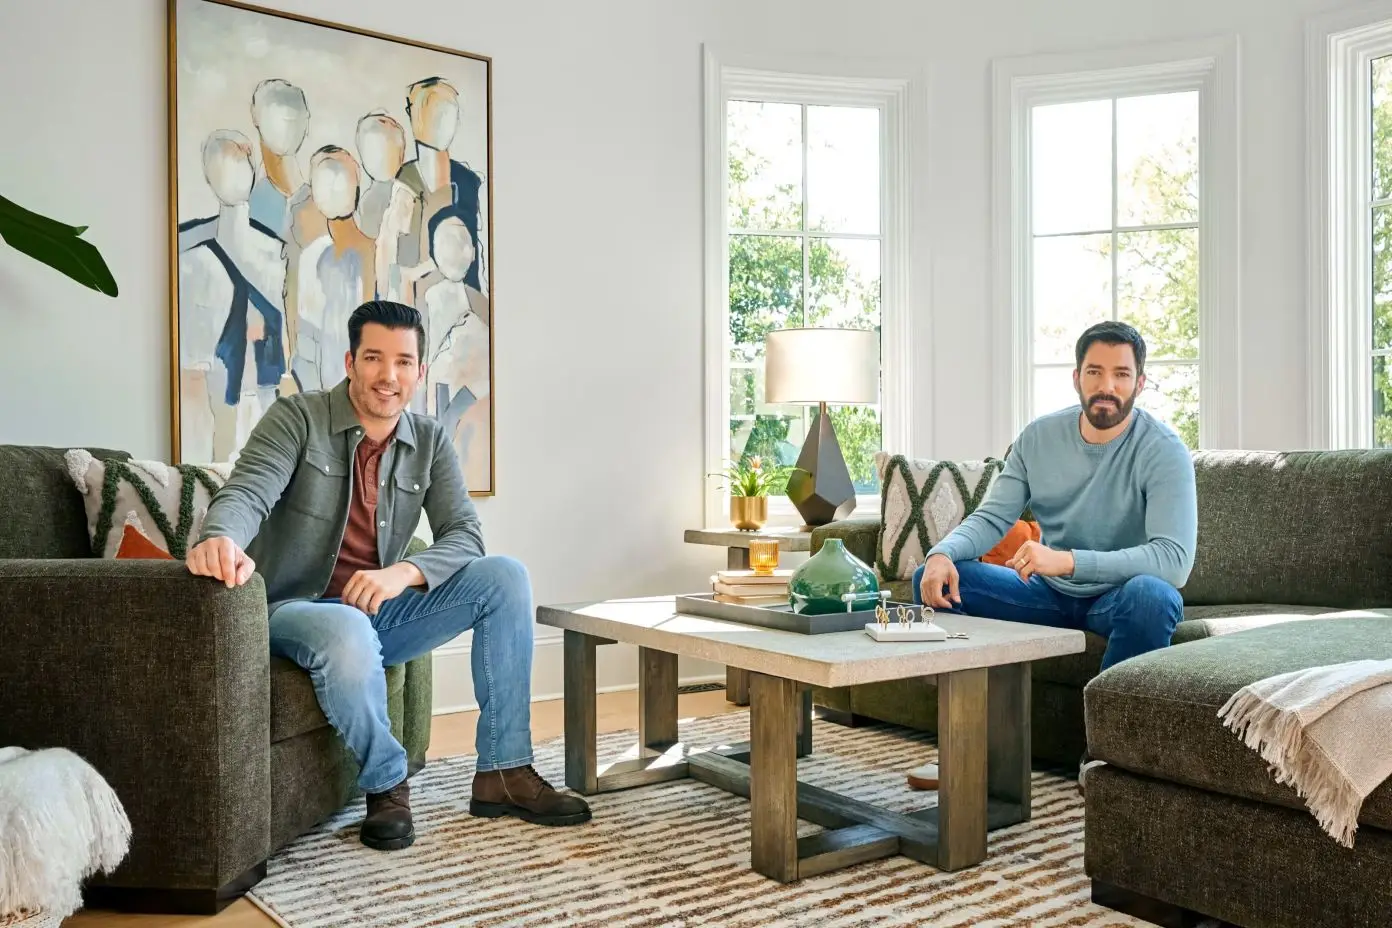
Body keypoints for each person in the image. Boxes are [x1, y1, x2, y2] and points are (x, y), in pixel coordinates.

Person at [185, 299, 591, 852]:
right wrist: (219, 538)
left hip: (379, 610)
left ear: (419, 372)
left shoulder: (429, 440)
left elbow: (465, 535)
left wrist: (401, 573)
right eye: (374, 358)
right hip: (291, 610)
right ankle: (386, 783)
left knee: (505, 577)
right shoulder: (298, 419)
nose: (389, 376)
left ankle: (504, 770)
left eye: (403, 362)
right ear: (350, 362)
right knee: (345, 627)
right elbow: (247, 492)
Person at [909, 321, 1197, 790]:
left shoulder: (1164, 451)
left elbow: (1173, 560)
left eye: (1122, 375)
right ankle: (965, 746)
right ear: (1076, 377)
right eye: (1095, 372)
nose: (1107, 387)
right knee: (935, 576)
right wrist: (943, 552)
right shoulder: (1039, 438)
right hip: (1045, 594)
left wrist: (1068, 561)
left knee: (1154, 596)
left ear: (1140, 383)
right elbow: (992, 519)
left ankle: (1105, 759)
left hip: (1116, 597)